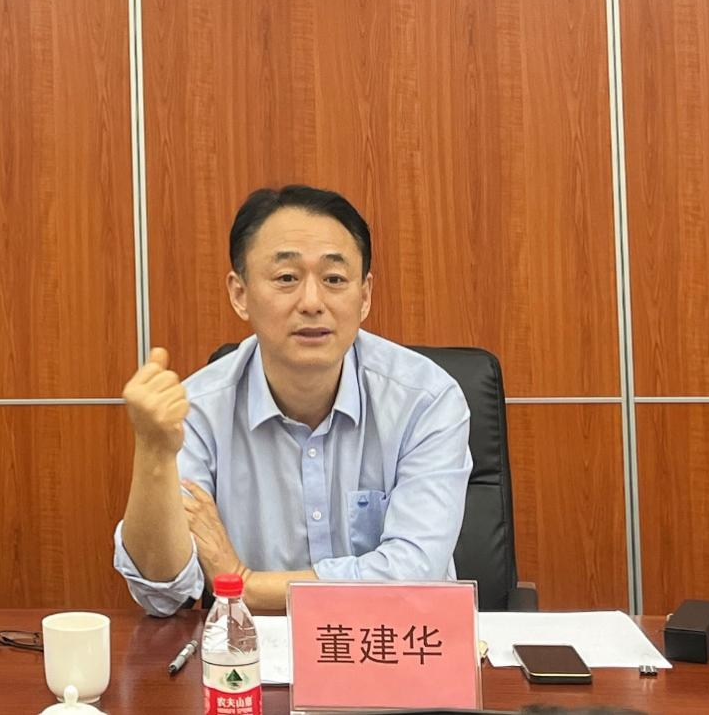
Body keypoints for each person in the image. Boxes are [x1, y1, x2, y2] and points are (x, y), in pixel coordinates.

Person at [113, 185, 473, 616]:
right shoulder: (198, 411)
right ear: (240, 294)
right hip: (253, 652)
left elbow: (415, 575)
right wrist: (153, 453)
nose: (312, 302)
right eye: (286, 278)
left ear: (364, 296)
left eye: (334, 279)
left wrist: (245, 585)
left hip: (393, 645)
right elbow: (162, 593)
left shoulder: (426, 400)